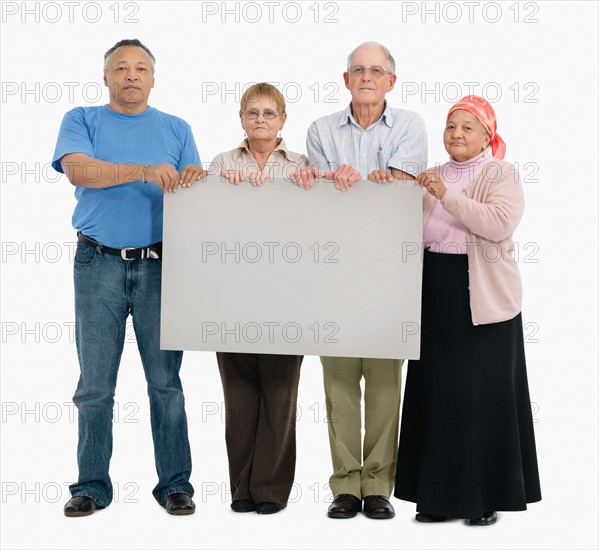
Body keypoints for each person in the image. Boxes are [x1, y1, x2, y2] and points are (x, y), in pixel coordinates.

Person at [52, 39, 205, 517]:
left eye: (141, 68)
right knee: (95, 384)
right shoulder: (82, 120)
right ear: (106, 78)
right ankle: (91, 486)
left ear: (154, 78)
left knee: (166, 382)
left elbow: (195, 188)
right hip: (97, 263)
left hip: (162, 264)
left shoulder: (177, 129)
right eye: (121, 68)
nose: (131, 76)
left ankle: (175, 484)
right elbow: (79, 170)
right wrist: (143, 171)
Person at [292, 42, 427, 519]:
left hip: (391, 270)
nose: (366, 77)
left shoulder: (410, 125)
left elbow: (398, 190)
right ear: (345, 79)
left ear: (391, 80)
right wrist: (344, 183)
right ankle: (346, 485)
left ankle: (379, 486)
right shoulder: (320, 129)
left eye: (376, 70)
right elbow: (323, 199)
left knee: (387, 386)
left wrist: (350, 183)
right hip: (335, 271)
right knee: (340, 384)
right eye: (357, 70)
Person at [391, 95, 542, 525]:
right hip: (434, 290)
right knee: (437, 393)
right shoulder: (432, 175)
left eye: (467, 126)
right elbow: (410, 231)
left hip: (483, 298)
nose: (456, 133)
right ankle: (436, 497)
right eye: (451, 125)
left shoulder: (500, 172)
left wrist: (447, 196)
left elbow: (497, 224)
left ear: (487, 135)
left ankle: (483, 500)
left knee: (481, 397)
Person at [211, 83, 308, 515]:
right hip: (232, 292)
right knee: (239, 395)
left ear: (283, 120)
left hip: (287, 292)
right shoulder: (222, 163)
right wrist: (222, 190)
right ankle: (241, 489)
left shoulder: (302, 165)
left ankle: (269, 489)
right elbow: (205, 222)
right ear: (241, 118)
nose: (261, 120)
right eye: (253, 113)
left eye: (270, 113)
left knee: (279, 392)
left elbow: (317, 226)